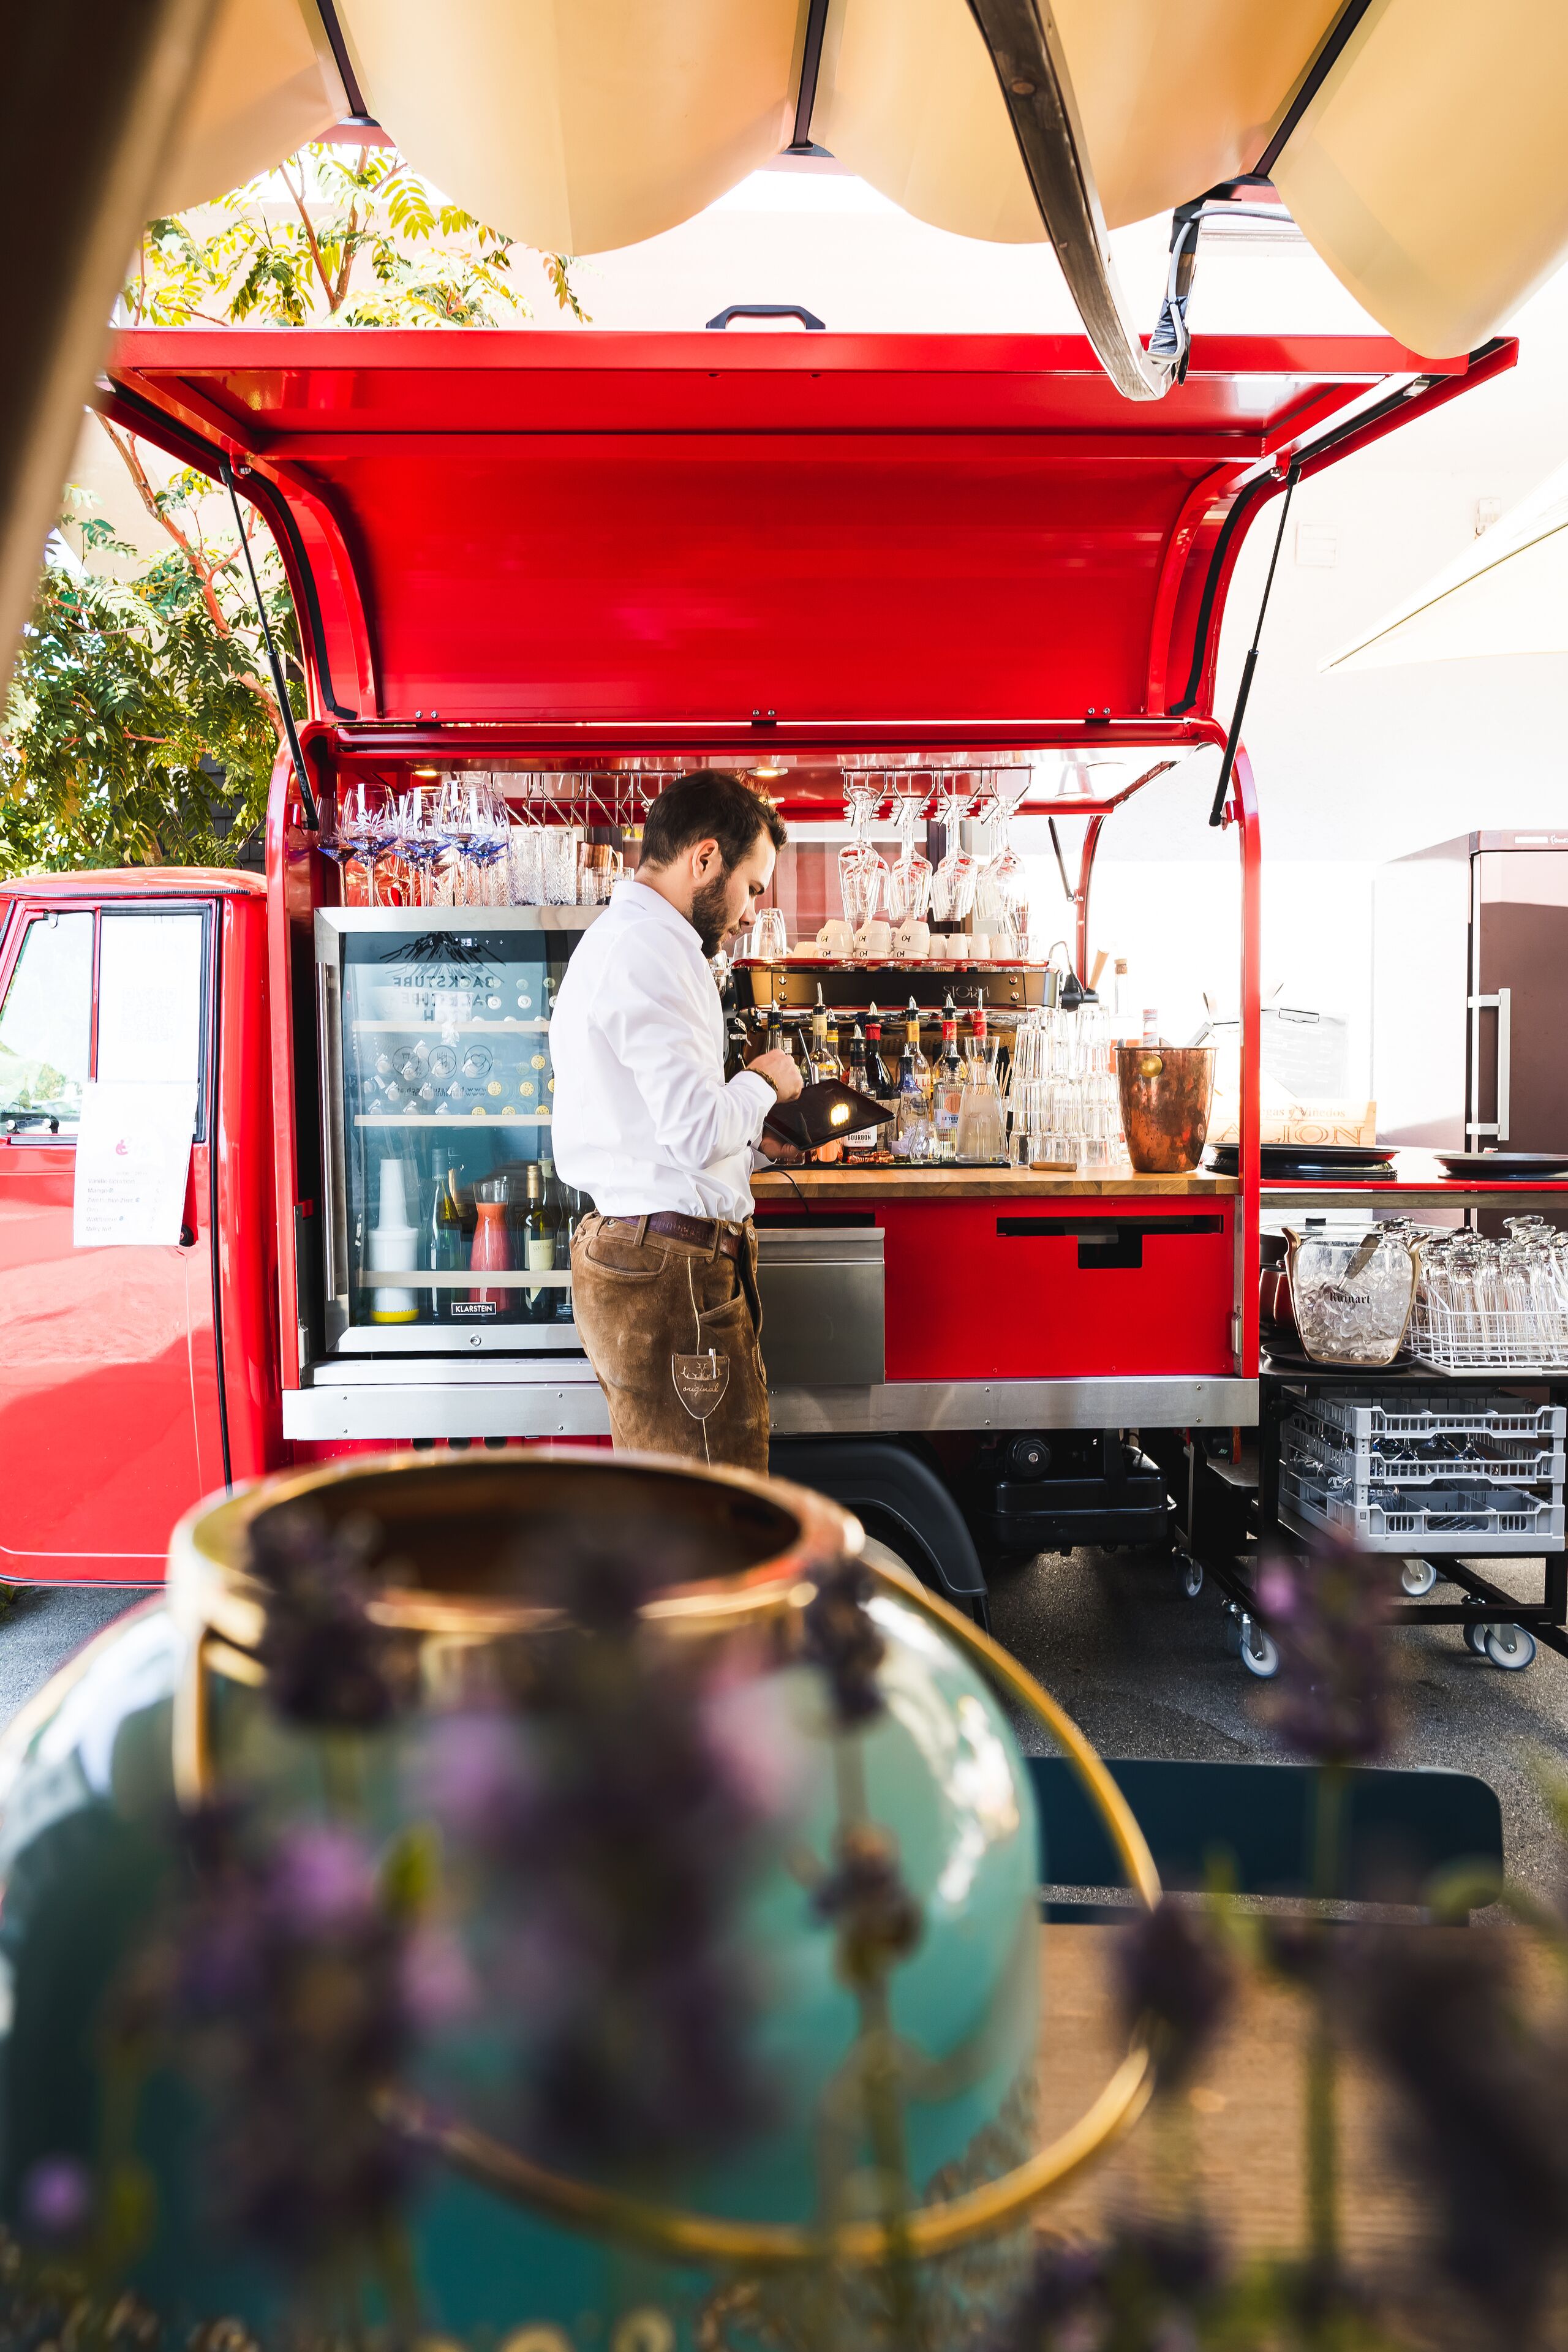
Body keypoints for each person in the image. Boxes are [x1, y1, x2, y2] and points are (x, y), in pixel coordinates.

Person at [551, 771, 802, 1473]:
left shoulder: (630, 940)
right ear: (705, 858)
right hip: (671, 1273)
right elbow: (693, 1132)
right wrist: (764, 1083)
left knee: (681, 1495)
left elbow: (656, 1137)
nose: (752, 912)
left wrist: (751, 1147)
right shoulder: (650, 949)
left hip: (654, 1260)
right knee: (711, 1506)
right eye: (752, 887)